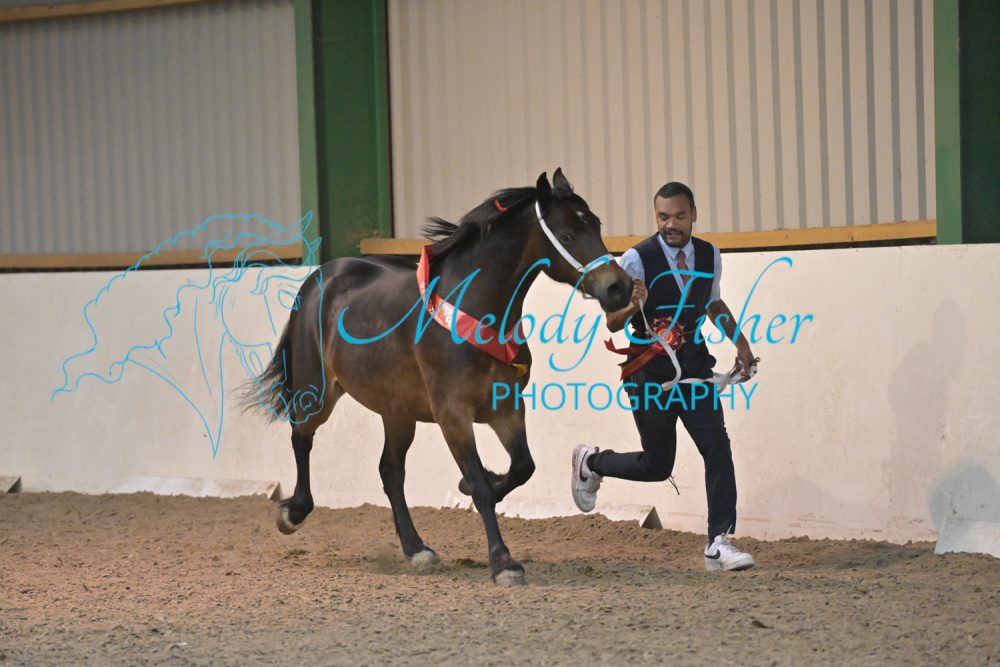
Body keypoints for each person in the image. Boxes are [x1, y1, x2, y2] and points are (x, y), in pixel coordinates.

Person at [572, 181, 758, 571]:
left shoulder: (709, 255)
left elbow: (712, 303)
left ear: (693, 215)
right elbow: (612, 322)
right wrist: (633, 305)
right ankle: (593, 462)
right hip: (649, 374)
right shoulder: (637, 259)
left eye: (679, 216)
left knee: (717, 447)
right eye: (663, 217)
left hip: (694, 371)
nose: (670, 224)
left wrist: (740, 343)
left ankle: (718, 543)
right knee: (658, 466)